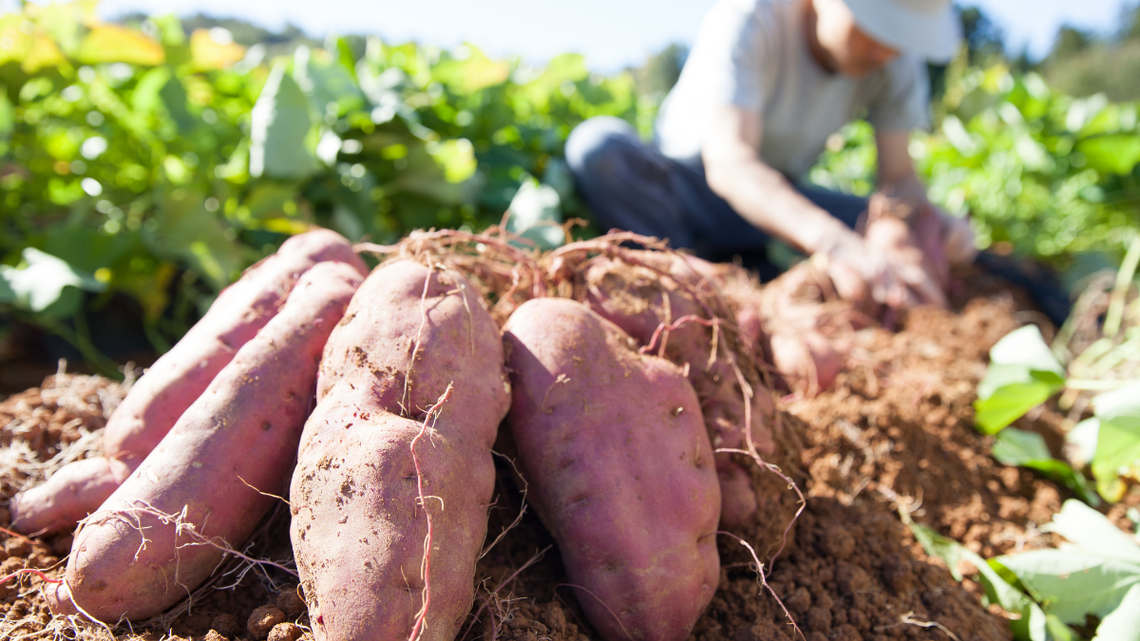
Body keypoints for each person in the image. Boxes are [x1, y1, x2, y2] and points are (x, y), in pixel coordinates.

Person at [566, 0, 976, 309]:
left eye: (897, 38)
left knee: (895, 224)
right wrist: (837, 244)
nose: (883, 50)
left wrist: (927, 226)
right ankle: (689, 276)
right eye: (871, 29)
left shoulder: (894, 60)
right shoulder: (753, 17)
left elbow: (899, 177)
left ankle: (761, 273)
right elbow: (729, 164)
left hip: (781, 202)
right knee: (599, 148)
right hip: (685, 191)